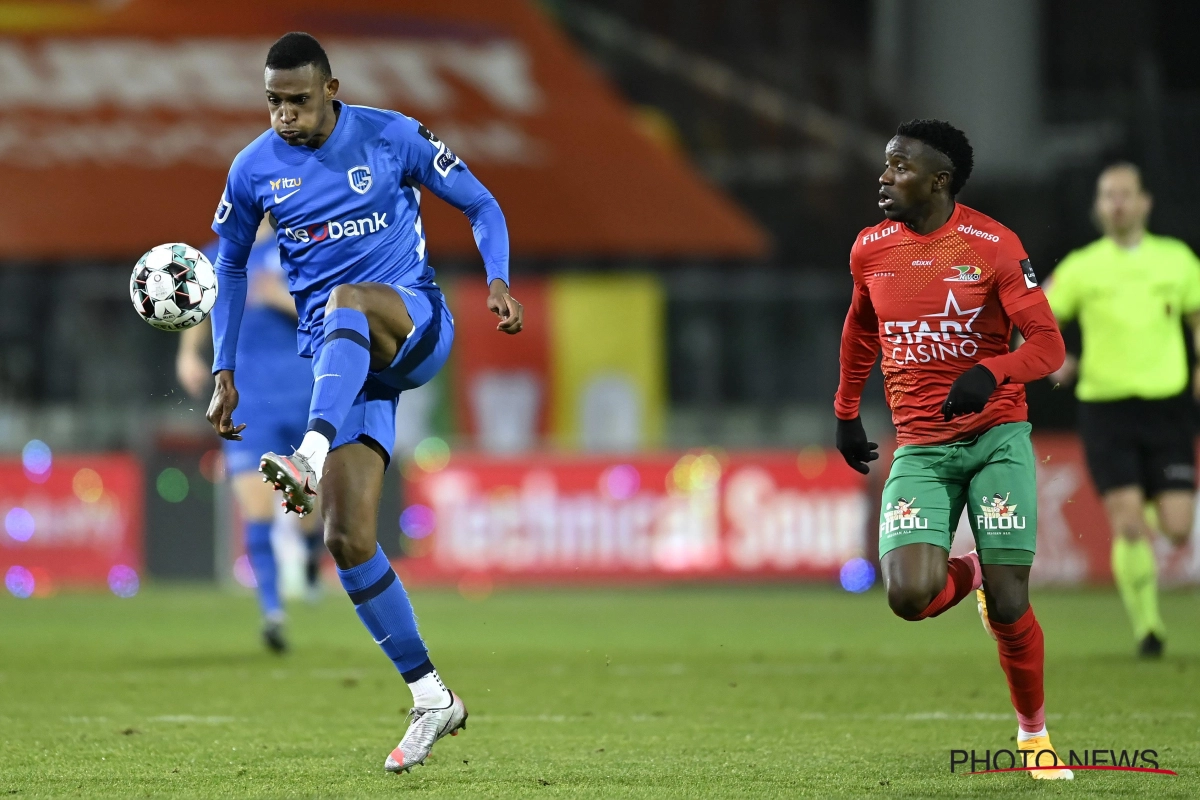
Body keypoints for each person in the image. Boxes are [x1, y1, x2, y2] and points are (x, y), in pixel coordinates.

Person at [205, 32, 522, 774]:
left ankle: (307, 457)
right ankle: (431, 695)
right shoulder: (253, 170)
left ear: (332, 89)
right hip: (340, 369)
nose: (283, 115)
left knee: (348, 297)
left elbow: (481, 203)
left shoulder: (393, 136)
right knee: (347, 539)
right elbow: (228, 261)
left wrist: (498, 278)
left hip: (410, 324)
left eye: (298, 100)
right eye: (273, 102)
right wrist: (223, 365)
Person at [834, 120, 1072, 779]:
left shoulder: (993, 246)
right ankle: (966, 572)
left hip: (996, 440)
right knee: (909, 597)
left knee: (1012, 601)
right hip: (921, 447)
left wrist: (991, 372)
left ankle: (1034, 737)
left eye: (900, 167)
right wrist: (847, 412)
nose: (884, 177)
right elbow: (861, 330)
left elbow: (1048, 348)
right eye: (885, 164)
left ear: (939, 181)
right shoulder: (870, 249)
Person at [1044, 163, 1200, 658]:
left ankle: (1144, 535)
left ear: (1144, 203)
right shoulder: (1081, 266)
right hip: (1105, 409)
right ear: (1098, 207)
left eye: (1124, 194)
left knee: (1176, 527)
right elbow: (1031, 316)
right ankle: (1148, 629)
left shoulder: (1176, 260)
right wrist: (1053, 358)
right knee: (1128, 523)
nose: (1116, 203)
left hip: (1167, 408)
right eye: (1107, 195)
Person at [177, 221, 323, 653]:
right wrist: (188, 354)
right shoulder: (215, 254)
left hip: (304, 395)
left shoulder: (300, 246)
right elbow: (198, 308)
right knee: (256, 508)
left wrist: (280, 298)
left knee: (308, 508)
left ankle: (313, 552)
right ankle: (272, 613)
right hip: (246, 399)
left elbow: (330, 311)